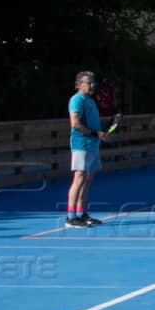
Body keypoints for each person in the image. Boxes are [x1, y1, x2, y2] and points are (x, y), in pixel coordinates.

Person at [67, 71, 105, 228]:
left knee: (88, 180)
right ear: (78, 84)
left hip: (93, 145)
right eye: (88, 82)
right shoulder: (77, 100)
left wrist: (102, 134)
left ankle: (81, 213)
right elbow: (75, 123)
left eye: (93, 82)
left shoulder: (91, 101)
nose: (92, 85)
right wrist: (96, 133)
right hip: (81, 144)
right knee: (79, 178)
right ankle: (71, 217)